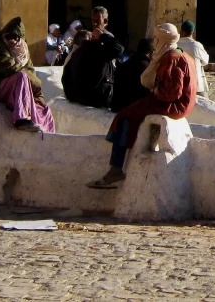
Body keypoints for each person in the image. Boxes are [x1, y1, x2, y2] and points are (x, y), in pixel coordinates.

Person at [88, 23, 197, 189]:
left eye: (157, 38)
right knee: (131, 113)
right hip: (180, 103)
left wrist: (156, 90)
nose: (155, 42)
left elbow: (172, 93)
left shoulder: (171, 57)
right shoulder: (182, 54)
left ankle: (116, 168)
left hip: (173, 105)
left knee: (123, 116)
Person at [0, 18, 54, 133]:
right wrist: (32, 79)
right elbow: (10, 67)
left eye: (15, 37)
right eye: (9, 36)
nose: (12, 40)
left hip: (17, 87)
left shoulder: (24, 51)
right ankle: (21, 120)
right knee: (21, 76)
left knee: (43, 109)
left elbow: (32, 74)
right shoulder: (0, 48)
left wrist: (37, 92)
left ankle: (47, 135)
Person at [62, 16, 123, 108]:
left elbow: (65, 77)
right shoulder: (100, 51)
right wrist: (102, 36)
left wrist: (72, 96)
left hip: (79, 100)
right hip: (97, 100)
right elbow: (119, 48)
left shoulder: (76, 54)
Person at [111, 38, 155, 113]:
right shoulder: (148, 69)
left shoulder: (125, 63)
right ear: (152, 52)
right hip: (133, 110)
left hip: (118, 106)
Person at [176, 21, 210, 97]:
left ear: (181, 31)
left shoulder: (175, 45)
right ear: (193, 32)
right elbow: (205, 61)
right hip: (196, 82)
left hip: (179, 81)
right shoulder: (196, 45)